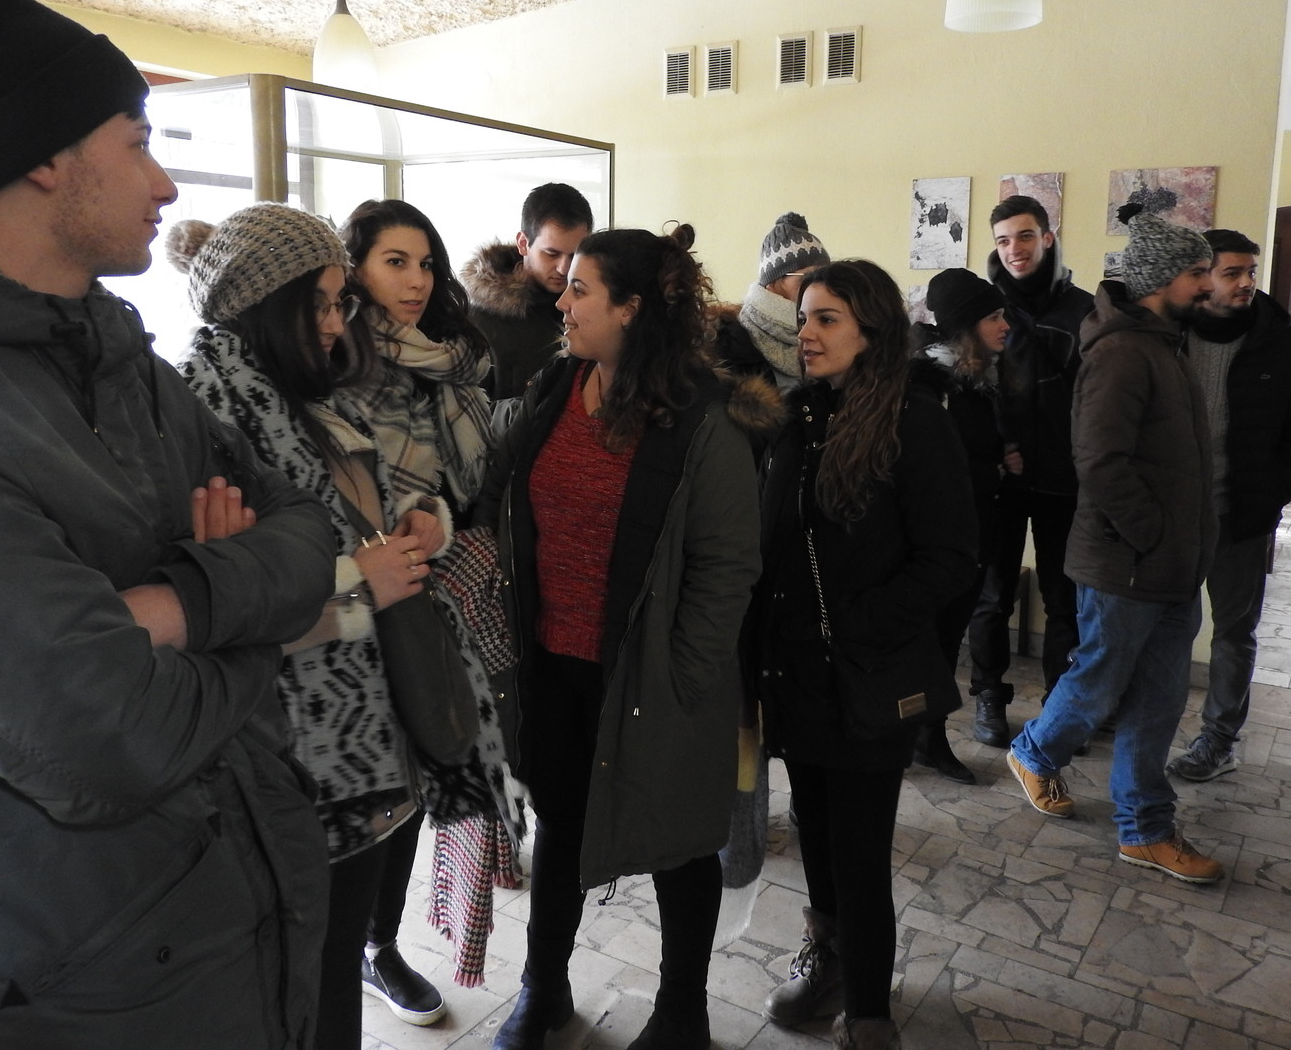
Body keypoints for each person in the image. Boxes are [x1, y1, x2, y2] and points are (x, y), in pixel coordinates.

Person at [0, 0, 335, 1048]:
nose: (165, 188)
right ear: (43, 157)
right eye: (137, 142)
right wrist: (250, 620)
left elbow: (308, 533)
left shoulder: (121, 361)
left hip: (226, 924)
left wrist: (171, 610)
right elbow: (109, 738)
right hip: (70, 993)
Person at [473, 225, 762, 1050]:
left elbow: (727, 564)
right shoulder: (559, 384)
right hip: (555, 661)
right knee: (561, 825)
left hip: (653, 672)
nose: (562, 303)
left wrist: (683, 673)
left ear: (631, 308)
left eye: (581, 290)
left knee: (678, 842)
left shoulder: (702, 416)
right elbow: (502, 487)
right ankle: (543, 991)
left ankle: (682, 1014)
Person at [176, 203, 444, 1050]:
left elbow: (355, 515)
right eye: (320, 304)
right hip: (289, 756)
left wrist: (418, 522)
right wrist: (362, 584)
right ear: (266, 304)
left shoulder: (290, 395)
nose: (336, 324)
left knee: (329, 975)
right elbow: (218, 607)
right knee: (301, 984)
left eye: (339, 302)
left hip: (351, 746)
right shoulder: (203, 413)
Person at [756, 260, 977, 1050]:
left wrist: (857, 625)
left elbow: (951, 559)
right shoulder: (797, 418)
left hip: (870, 672)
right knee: (814, 828)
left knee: (858, 844)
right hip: (799, 672)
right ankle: (827, 963)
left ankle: (870, 1006)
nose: (807, 334)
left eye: (827, 319)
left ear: (872, 332)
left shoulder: (915, 422)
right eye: (804, 319)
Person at [1007, 204, 1225, 885]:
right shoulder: (1123, 352)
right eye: (1198, 273)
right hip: (1127, 563)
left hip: (1170, 564)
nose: (1208, 285)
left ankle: (1145, 829)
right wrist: (1154, 534)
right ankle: (1035, 752)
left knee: (1158, 701)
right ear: (1160, 279)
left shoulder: (1164, 344)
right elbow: (1101, 463)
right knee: (1100, 684)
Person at [338, 197, 497, 1021]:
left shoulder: (443, 364)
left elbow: (452, 486)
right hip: (337, 607)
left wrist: (433, 517)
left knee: (414, 772)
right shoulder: (327, 355)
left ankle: (380, 944)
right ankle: (345, 949)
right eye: (395, 262)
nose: (416, 280)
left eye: (426, 263)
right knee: (359, 782)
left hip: (418, 590)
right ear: (354, 266)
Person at [1166, 230, 1291, 782]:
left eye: (1250, 272)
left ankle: (1218, 739)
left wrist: (1268, 494)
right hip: (1173, 518)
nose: (1245, 283)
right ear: (1200, 276)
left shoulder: (1281, 343)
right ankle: (1148, 721)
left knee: (1234, 633)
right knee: (1165, 626)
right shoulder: (1168, 335)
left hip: (1240, 519)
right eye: (1231, 272)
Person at [968, 195, 1095, 746]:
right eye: (1003, 240)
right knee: (992, 595)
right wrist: (1001, 448)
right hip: (1003, 476)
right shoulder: (985, 309)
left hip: (1065, 479)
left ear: (1047, 236)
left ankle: (1058, 708)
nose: (1014, 249)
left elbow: (1098, 396)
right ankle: (988, 697)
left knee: (1064, 599)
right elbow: (972, 386)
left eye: (1024, 236)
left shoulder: (1085, 309)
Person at [912, 266, 1011, 784]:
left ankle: (925, 738)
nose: (1005, 325)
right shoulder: (932, 385)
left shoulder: (980, 381)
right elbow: (931, 467)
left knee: (946, 643)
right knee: (930, 644)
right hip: (941, 542)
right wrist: (991, 469)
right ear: (967, 326)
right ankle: (919, 738)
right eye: (994, 317)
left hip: (973, 536)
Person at [462, 181, 594, 401]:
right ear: (523, 243)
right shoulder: (478, 321)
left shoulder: (597, 311)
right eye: (551, 254)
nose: (564, 268)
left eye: (575, 255)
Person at [709, 211, 831, 392]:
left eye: (823, 276)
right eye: (807, 277)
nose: (817, 286)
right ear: (773, 282)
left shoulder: (833, 330)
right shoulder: (729, 342)